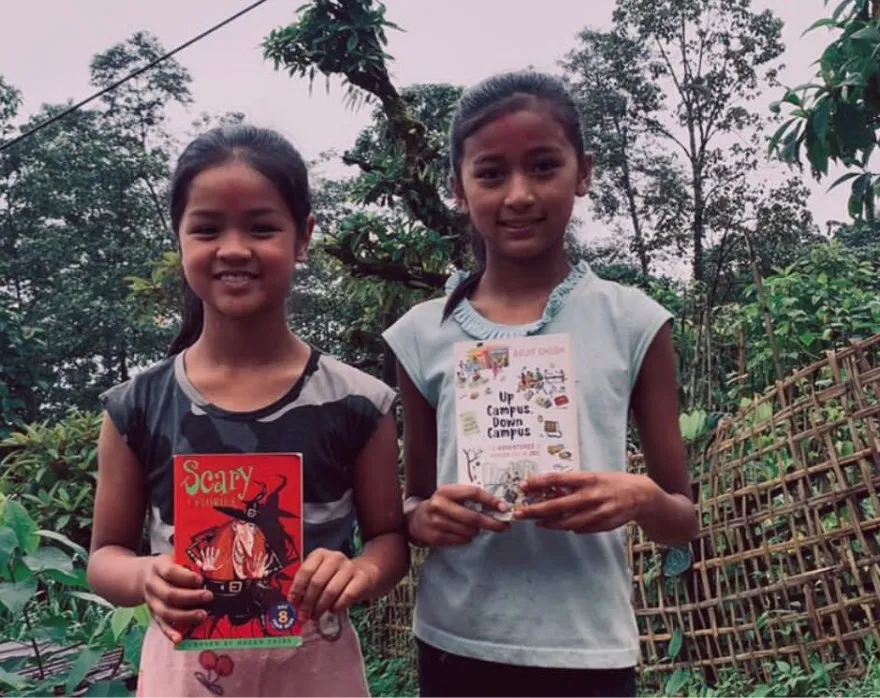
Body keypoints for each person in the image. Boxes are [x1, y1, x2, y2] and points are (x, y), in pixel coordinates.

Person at [383, 70, 699, 698]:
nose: (519, 194)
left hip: (587, 651)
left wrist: (636, 497)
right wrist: (424, 518)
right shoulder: (420, 336)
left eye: (544, 166)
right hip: (455, 643)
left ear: (583, 173)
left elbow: (682, 520)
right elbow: (412, 503)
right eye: (492, 173)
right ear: (458, 188)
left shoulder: (633, 320)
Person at [87, 125, 408, 697]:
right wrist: (146, 576)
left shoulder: (358, 403)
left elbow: (390, 540)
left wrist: (359, 572)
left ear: (303, 237)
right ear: (180, 238)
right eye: (207, 228)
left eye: (262, 227)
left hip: (316, 675)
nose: (234, 248)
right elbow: (104, 557)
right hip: (186, 676)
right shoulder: (135, 406)